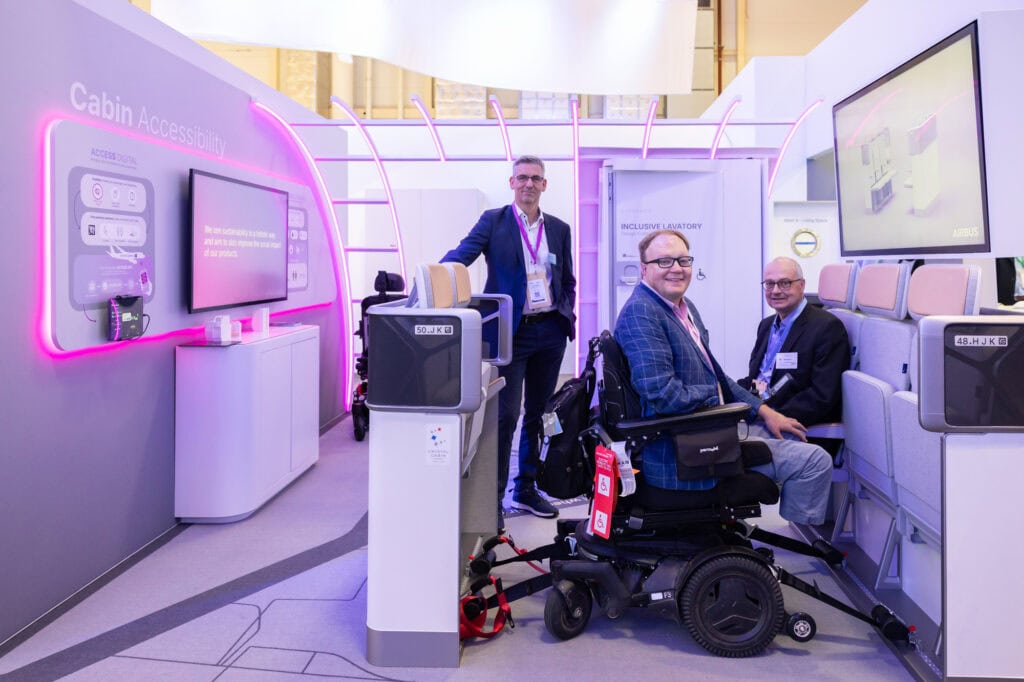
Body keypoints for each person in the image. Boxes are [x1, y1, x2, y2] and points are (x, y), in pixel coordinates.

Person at [614, 229, 832, 525]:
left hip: (703, 429)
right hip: (681, 452)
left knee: (790, 442)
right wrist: (722, 404)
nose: (676, 268)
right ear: (644, 268)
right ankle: (801, 546)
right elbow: (664, 395)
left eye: (682, 260)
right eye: (664, 261)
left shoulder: (682, 308)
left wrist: (764, 411)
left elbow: (717, 375)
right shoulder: (642, 313)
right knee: (816, 461)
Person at [442, 155, 576, 522]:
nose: (529, 184)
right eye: (522, 178)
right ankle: (494, 498)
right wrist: (433, 281)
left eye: (536, 178)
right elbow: (461, 256)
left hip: (550, 332)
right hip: (509, 334)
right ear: (512, 183)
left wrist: (568, 312)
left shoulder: (560, 229)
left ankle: (526, 489)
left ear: (545, 185)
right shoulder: (494, 221)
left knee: (540, 413)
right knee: (504, 417)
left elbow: (566, 279)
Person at [738, 257, 850, 427]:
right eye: (769, 284)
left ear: (802, 285)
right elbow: (758, 380)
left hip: (793, 425)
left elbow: (821, 397)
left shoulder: (827, 328)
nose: (775, 290)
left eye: (784, 283)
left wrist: (768, 415)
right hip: (760, 414)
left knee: (721, 446)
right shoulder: (766, 325)